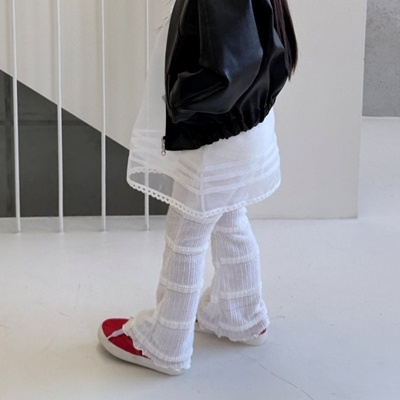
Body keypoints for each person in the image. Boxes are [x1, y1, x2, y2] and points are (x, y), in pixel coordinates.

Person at [98, 0, 298, 375]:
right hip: (245, 121)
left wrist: (183, 101)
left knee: (186, 229)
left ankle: (166, 341)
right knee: (229, 214)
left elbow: (220, 68)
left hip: (216, 131)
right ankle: (240, 314)